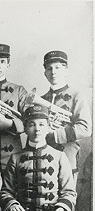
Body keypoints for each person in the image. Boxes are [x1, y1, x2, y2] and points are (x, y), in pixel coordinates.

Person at [40, 50, 92, 182]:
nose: (53, 72)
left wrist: (55, 134)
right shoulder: (41, 99)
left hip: (68, 155)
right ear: (45, 73)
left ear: (66, 71)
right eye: (49, 68)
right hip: (43, 156)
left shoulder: (77, 95)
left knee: (66, 196)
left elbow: (85, 129)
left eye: (57, 67)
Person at [0, 44, 28, 171]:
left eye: (2, 62)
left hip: (13, 155)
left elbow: (30, 121)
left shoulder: (19, 91)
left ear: (8, 64)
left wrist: (9, 123)